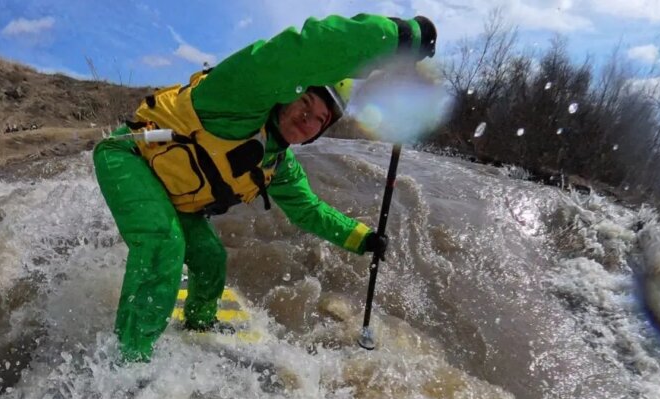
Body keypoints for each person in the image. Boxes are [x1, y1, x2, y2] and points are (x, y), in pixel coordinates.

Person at [92, 14, 437, 362]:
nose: (308, 119)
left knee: (211, 259)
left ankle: (197, 328)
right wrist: (398, 39)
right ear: (288, 94)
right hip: (130, 157)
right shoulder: (238, 97)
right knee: (165, 246)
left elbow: (309, 211)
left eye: (320, 118)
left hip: (175, 197)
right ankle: (127, 361)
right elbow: (302, 51)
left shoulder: (278, 164)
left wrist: (363, 238)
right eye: (306, 103)